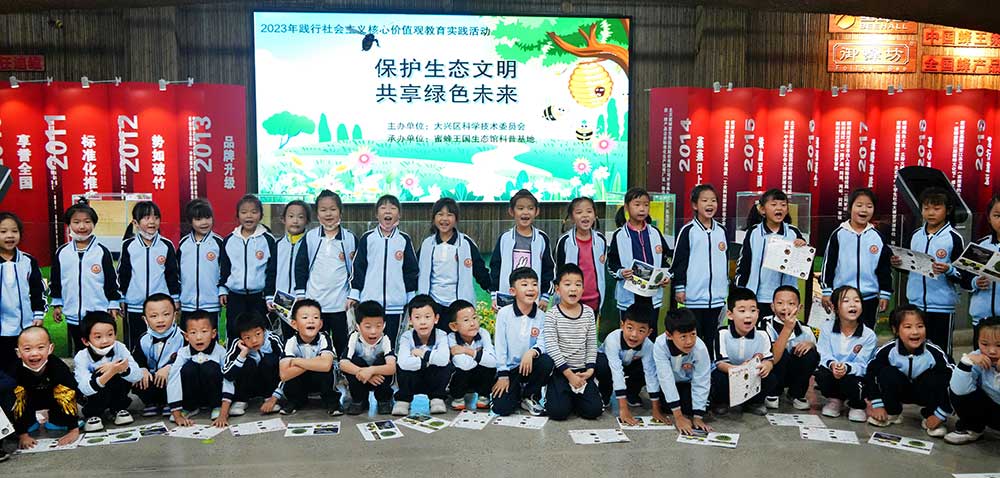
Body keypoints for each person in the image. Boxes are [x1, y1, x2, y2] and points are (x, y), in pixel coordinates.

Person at [891, 187, 964, 357]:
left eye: (936, 208)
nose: (930, 213)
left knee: (941, 352)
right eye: (926, 208)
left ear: (947, 210)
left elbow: (963, 274)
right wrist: (898, 263)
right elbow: (908, 267)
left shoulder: (954, 238)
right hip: (915, 306)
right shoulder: (915, 235)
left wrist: (949, 269)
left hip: (942, 307)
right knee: (915, 349)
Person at [865, 305, 952, 437]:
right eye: (908, 327)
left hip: (925, 393)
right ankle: (892, 412)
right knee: (887, 373)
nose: (915, 332)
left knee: (936, 378)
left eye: (920, 326)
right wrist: (877, 404)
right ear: (895, 330)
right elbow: (870, 374)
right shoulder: (888, 350)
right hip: (900, 391)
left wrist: (941, 414)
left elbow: (954, 382)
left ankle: (931, 417)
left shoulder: (935, 352)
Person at [50, 199, 120, 354]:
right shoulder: (62, 252)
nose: (82, 226)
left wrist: (113, 303)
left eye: (87, 222)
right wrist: (57, 303)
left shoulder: (102, 252)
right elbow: (56, 280)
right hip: (73, 314)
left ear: (94, 224)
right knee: (80, 350)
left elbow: (111, 280)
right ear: (69, 225)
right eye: (76, 222)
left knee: (101, 350)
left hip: (98, 313)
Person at [348, 194, 419, 347]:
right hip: (370, 304)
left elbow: (411, 270)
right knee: (369, 344)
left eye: (393, 208)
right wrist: (355, 293)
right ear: (376, 214)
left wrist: (410, 296)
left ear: (399, 214)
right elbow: (358, 267)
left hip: (396, 305)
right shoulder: (368, 238)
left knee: (392, 345)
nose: (388, 211)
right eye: (383, 208)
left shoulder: (404, 239)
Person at [295, 190, 358, 355]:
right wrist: (300, 293)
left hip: (340, 304)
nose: (328, 214)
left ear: (340, 212)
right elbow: (300, 266)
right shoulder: (310, 237)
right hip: (315, 303)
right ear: (317, 214)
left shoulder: (350, 238)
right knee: (316, 344)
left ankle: (342, 369)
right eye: (323, 210)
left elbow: (357, 270)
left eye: (333, 209)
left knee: (342, 343)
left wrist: (354, 294)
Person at [820, 188, 892, 329]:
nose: (864, 210)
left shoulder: (877, 237)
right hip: (843, 297)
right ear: (850, 208)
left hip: (869, 298)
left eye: (869, 206)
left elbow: (884, 267)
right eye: (859, 205)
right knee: (842, 334)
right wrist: (826, 291)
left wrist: (885, 293)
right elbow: (828, 264)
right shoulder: (838, 234)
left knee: (866, 334)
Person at [671, 185, 729, 358]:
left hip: (717, 298)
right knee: (692, 338)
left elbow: (725, 261)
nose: (710, 204)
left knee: (713, 337)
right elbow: (679, 262)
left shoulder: (722, 231)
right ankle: (689, 368)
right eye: (705, 200)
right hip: (694, 297)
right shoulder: (688, 231)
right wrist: (679, 287)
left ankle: (711, 368)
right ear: (695, 205)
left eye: (713, 200)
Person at [418, 198, 491, 331]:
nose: (444, 219)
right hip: (434, 305)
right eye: (440, 214)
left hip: (458, 306)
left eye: (449, 215)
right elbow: (415, 271)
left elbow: (479, 270)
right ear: (434, 218)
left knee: (458, 341)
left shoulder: (465, 244)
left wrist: (492, 288)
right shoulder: (427, 244)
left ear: (456, 219)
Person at [118, 200, 181, 350]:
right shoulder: (128, 245)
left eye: (156, 217)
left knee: (161, 344)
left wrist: (175, 298)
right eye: (147, 218)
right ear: (135, 223)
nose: (152, 221)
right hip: (134, 305)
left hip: (160, 306)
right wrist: (121, 297)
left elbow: (172, 274)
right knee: (135, 343)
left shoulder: (166, 245)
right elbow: (123, 273)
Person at [491, 267, 553, 417]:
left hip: (531, 365)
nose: (531, 288)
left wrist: (532, 352)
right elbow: (500, 346)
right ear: (513, 291)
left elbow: (543, 342)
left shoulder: (541, 315)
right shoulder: (504, 314)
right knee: (502, 409)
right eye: (524, 284)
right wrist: (503, 375)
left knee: (546, 361)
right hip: (510, 370)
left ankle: (529, 395)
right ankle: (516, 392)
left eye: (534, 284)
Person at [735, 188, 807, 318]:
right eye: (773, 204)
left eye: (783, 205)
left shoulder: (793, 232)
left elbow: (802, 262)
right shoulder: (754, 232)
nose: (779, 208)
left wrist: (802, 246)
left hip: (785, 299)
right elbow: (744, 262)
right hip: (758, 296)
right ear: (762, 210)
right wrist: (741, 290)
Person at [608, 187, 671, 335]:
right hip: (629, 295)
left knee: (650, 331)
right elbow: (611, 264)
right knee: (630, 333)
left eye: (646, 205)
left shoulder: (655, 233)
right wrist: (621, 272)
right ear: (626, 207)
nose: (642, 209)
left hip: (652, 294)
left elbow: (667, 259)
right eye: (637, 204)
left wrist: (666, 276)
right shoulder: (619, 235)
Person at [543, 264, 602, 421]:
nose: (573, 289)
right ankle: (554, 393)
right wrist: (569, 375)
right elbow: (552, 348)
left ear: (583, 289)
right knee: (558, 413)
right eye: (567, 284)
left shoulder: (588, 313)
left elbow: (592, 343)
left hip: (582, 372)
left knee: (594, 411)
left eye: (578, 284)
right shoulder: (552, 315)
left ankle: (578, 397)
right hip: (561, 372)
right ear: (558, 289)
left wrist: (590, 370)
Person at [219, 194, 278, 345]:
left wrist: (269, 295)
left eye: (254, 212)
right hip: (235, 296)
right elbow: (225, 268)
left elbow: (272, 271)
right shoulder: (229, 240)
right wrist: (223, 289)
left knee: (259, 332)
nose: (249, 216)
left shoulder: (268, 240)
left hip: (259, 297)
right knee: (234, 331)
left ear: (261, 215)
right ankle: (234, 357)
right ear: (238, 215)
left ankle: (262, 358)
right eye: (244, 212)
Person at [814, 285, 877, 422]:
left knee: (855, 380)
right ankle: (835, 400)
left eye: (857, 301)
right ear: (835, 308)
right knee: (822, 373)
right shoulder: (827, 328)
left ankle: (857, 405)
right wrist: (832, 364)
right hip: (833, 370)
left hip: (854, 375)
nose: (852, 304)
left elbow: (864, 364)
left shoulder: (868, 335)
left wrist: (847, 368)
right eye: (846, 301)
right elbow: (823, 353)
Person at [12, 326, 81, 450]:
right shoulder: (15, 370)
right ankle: (27, 425)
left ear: (50, 348)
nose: (34, 353)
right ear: (18, 352)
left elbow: (71, 392)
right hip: (29, 400)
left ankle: (59, 420)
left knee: (58, 419)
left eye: (40, 347)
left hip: (53, 398)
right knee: (18, 395)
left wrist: (73, 429)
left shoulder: (58, 367)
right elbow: (14, 401)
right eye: (27, 349)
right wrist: (23, 435)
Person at [74, 311, 142, 432]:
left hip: (116, 388)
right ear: (85, 341)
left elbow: (137, 374)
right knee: (97, 377)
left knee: (123, 372)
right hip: (94, 395)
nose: (105, 341)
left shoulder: (120, 347)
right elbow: (84, 387)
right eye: (98, 337)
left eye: (110, 334)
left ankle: (118, 408)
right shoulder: (81, 356)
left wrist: (121, 369)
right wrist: (110, 372)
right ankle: (93, 413)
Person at [596, 303, 663, 425]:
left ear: (649, 332)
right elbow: (616, 371)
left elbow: (650, 374)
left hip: (630, 364)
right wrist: (623, 409)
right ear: (622, 325)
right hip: (609, 364)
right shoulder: (612, 339)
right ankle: (604, 393)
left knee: (647, 368)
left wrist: (656, 409)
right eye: (630, 328)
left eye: (641, 330)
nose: (634, 335)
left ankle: (632, 393)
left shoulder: (649, 346)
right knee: (602, 366)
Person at [712, 287, 775, 416]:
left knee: (771, 377)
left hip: (752, 375)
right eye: (742, 311)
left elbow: (769, 359)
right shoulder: (722, 333)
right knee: (718, 377)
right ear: (730, 314)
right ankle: (722, 402)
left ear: (758, 313)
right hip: (730, 372)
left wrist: (767, 366)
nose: (748, 315)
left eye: (753, 310)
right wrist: (740, 369)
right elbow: (720, 363)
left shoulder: (763, 334)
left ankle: (754, 403)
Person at [490, 189, 555, 310]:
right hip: (507, 297)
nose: (525, 212)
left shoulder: (541, 239)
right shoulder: (505, 238)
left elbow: (548, 269)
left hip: (533, 298)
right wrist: (494, 295)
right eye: (520, 208)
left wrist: (545, 296)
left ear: (537, 211)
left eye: (530, 208)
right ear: (511, 211)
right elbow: (495, 267)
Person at [167, 310, 233, 427]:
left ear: (213, 333)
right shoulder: (183, 353)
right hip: (193, 395)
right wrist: (177, 415)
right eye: (193, 332)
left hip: (215, 396)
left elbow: (229, 380)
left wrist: (223, 414)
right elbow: (173, 379)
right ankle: (189, 407)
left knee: (210, 367)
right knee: (188, 368)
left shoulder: (221, 352)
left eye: (204, 331)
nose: (198, 337)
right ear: (186, 336)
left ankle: (216, 406)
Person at [277, 299, 342, 416]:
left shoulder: (324, 338)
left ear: (320, 324)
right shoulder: (290, 342)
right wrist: (315, 362)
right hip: (301, 381)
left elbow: (326, 365)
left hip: (320, 380)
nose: (311, 321)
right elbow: (284, 374)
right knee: (291, 379)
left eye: (315, 317)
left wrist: (297, 361)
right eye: (305, 317)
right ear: (294, 324)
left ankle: (332, 402)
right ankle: (296, 401)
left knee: (329, 370)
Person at [653, 308, 712, 434]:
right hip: (671, 383)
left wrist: (698, 417)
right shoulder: (660, 345)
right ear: (669, 335)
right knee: (667, 406)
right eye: (683, 336)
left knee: (700, 406)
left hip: (688, 383)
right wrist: (678, 416)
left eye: (693, 334)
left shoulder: (700, 348)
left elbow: (702, 380)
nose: (689, 341)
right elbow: (666, 378)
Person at [758, 285, 817, 410]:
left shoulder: (805, 329)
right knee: (780, 352)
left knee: (810, 353)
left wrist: (811, 345)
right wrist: (787, 328)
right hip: (772, 372)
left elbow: (818, 354)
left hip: (793, 373)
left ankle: (797, 394)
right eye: (780, 303)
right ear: (772, 306)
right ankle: (773, 392)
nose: (785, 308)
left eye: (791, 303)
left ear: (799, 308)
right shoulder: (764, 324)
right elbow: (771, 355)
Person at [0, 212, 45, 373]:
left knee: (23, 367)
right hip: (2, 329)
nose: (9, 235)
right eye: (3, 231)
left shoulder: (27, 261)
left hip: (24, 326)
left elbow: (37, 290)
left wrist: (38, 314)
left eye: (14, 231)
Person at [219, 312, 283, 422]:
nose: (254, 340)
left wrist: (274, 397)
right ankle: (241, 400)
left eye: (258, 334)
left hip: (271, 387)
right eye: (247, 337)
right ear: (240, 338)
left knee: (269, 360)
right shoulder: (237, 345)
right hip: (247, 385)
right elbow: (227, 374)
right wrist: (243, 353)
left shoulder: (273, 339)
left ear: (264, 330)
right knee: (248, 363)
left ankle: (269, 397)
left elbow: (287, 366)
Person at [945, 317, 1000, 445]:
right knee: (959, 389)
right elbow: (958, 390)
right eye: (984, 344)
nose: (992, 351)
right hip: (991, 412)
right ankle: (973, 428)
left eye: (999, 345)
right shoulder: (978, 356)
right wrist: (966, 362)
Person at [393, 294, 450, 416]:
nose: (423, 322)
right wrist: (428, 361)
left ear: (436, 318)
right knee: (401, 366)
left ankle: (437, 398)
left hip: (432, 380)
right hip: (413, 380)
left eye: (427, 317)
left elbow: (443, 360)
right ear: (410, 320)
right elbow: (403, 363)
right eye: (417, 317)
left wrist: (421, 353)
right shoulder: (406, 337)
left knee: (445, 365)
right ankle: (403, 400)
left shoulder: (442, 335)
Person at [340, 300, 396, 416]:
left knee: (382, 361)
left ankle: (384, 400)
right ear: (358, 326)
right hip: (360, 379)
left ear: (384, 325)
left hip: (379, 380)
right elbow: (343, 364)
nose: (373, 331)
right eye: (368, 327)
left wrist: (371, 371)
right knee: (355, 361)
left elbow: (392, 367)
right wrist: (363, 372)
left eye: (378, 326)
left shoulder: (385, 340)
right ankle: (359, 400)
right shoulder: (354, 338)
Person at [133, 293, 184, 417]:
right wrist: (142, 369)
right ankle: (151, 403)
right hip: (153, 378)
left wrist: (170, 367)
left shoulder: (182, 337)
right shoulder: (143, 339)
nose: (160, 320)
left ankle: (171, 402)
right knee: (136, 374)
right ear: (145, 319)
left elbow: (188, 359)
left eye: (166, 314)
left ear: (175, 315)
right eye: (154, 316)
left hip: (172, 378)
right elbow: (137, 359)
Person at [554, 196, 607, 315]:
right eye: (579, 212)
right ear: (572, 217)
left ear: (595, 215)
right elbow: (557, 270)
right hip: (570, 301)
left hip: (594, 301)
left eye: (589, 211)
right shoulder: (565, 241)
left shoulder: (601, 240)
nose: (585, 215)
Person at [178, 198, 225, 328]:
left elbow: (225, 271)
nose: (204, 222)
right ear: (190, 221)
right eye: (198, 219)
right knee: (189, 336)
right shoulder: (183, 244)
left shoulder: (218, 243)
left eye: (207, 217)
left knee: (210, 336)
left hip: (211, 303)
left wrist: (222, 290)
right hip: (187, 304)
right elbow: (177, 273)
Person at [446, 299, 496, 410]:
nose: (473, 323)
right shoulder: (451, 338)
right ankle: (458, 397)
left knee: (488, 367)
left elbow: (493, 361)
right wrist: (480, 355)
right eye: (466, 320)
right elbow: (464, 365)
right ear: (454, 326)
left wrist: (467, 351)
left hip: (478, 377)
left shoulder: (483, 333)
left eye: (474, 318)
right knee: (460, 370)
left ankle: (483, 396)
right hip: (462, 379)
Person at [967, 194, 1000, 348]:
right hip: (981, 319)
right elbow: (965, 276)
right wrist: (975, 282)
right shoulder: (980, 246)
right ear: (989, 218)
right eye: (997, 216)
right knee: (980, 359)